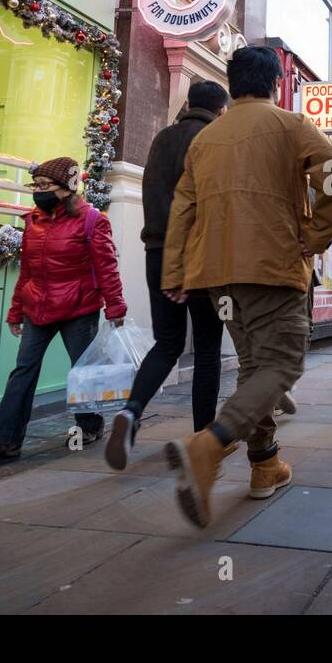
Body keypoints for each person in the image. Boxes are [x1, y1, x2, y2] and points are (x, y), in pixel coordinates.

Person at [161, 45, 332, 527]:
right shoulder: (290, 124)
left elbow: (182, 209)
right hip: (271, 263)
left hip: (216, 276)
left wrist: (175, 273)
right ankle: (208, 445)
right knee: (282, 363)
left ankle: (265, 464)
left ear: (232, 81)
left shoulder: (205, 139)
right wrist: (315, 237)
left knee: (253, 366)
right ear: (276, 83)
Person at [105, 80, 230, 471]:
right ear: (221, 110)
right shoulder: (215, 140)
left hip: (156, 251)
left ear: (189, 103)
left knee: (167, 342)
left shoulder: (161, 139)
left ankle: (131, 412)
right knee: (208, 349)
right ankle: (203, 438)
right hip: (200, 255)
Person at [0, 156, 128, 458]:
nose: (39, 191)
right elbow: (27, 270)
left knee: (82, 371)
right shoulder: (33, 221)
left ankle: (90, 425)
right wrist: (16, 311)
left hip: (78, 307)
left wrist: (115, 307)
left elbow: (106, 267)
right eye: (36, 185)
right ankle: (5, 439)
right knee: (23, 371)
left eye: (46, 186)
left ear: (68, 188)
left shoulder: (92, 220)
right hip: (37, 307)